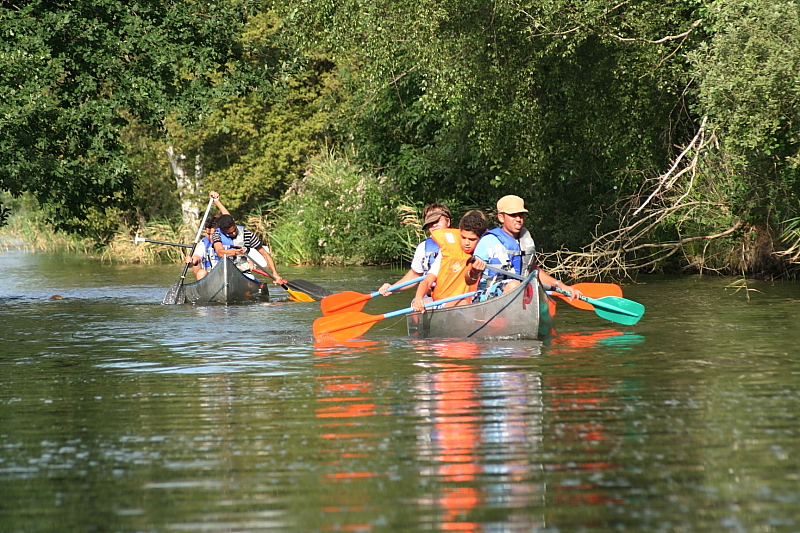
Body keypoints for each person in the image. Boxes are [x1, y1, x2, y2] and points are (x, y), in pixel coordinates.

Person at [472, 195, 583, 300]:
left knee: (537, 292)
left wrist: (561, 286)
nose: (518, 219)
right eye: (513, 215)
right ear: (501, 218)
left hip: (518, 292)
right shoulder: (488, 241)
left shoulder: (525, 239)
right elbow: (469, 279)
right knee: (514, 285)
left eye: (521, 215)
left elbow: (534, 270)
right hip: (487, 296)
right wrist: (474, 272)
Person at [411, 212, 488, 313]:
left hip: (469, 302)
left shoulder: (486, 253)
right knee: (421, 305)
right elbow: (427, 281)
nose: (466, 243)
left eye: (472, 239)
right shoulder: (447, 254)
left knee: (463, 303)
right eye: (463, 238)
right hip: (445, 302)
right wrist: (418, 299)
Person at [378, 203, 451, 296]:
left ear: (448, 222)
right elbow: (415, 275)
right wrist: (392, 288)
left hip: (457, 295)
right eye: (430, 223)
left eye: (437, 221)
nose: (434, 225)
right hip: (431, 297)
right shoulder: (423, 248)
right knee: (422, 306)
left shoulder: (465, 242)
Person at [212, 214, 287, 286]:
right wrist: (235, 252)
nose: (234, 233)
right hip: (222, 273)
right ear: (222, 230)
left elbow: (265, 254)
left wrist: (275, 273)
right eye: (230, 233)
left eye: (234, 230)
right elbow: (219, 252)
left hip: (242, 272)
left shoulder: (247, 234)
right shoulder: (217, 234)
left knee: (251, 280)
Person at [186, 191, 228, 280]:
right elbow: (196, 257)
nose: (210, 237)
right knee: (200, 272)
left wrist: (217, 201)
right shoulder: (204, 243)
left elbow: (229, 219)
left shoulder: (228, 239)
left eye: (212, 234)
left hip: (227, 276)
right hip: (210, 278)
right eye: (208, 234)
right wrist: (190, 261)